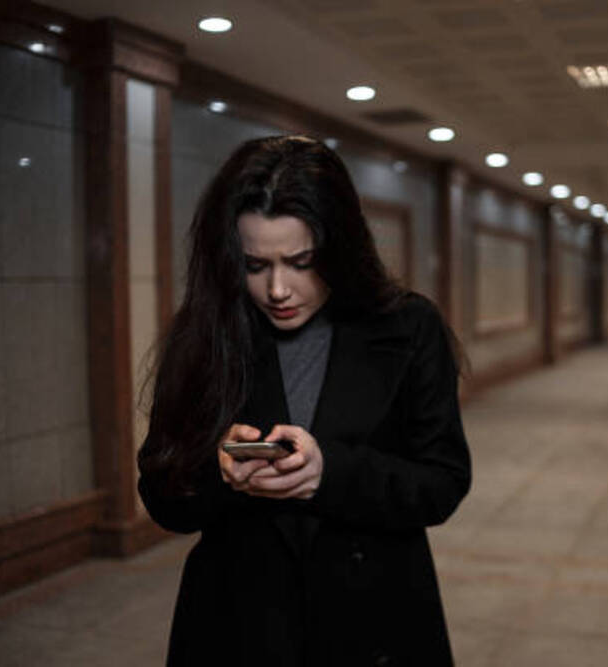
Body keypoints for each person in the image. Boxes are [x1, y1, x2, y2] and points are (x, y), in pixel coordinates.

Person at [137, 135, 471, 666]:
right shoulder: (206, 332)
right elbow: (161, 495)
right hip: (241, 626)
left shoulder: (409, 327)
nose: (277, 289)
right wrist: (219, 470)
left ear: (339, 247)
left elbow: (443, 481)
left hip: (374, 623)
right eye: (254, 265)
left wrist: (329, 474)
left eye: (300, 261)